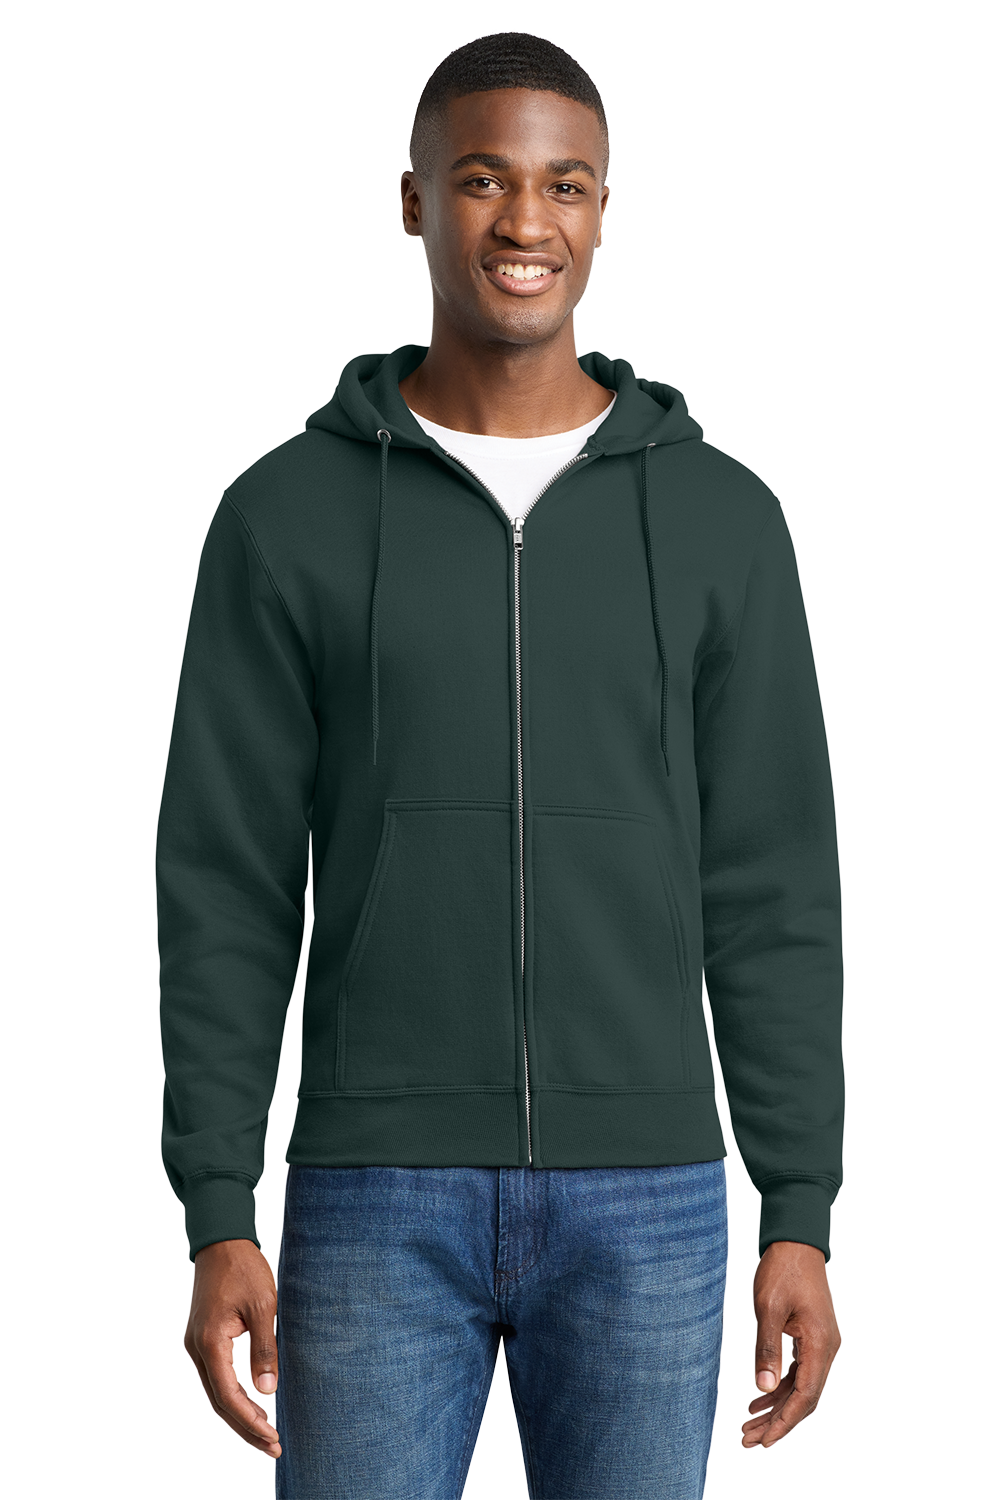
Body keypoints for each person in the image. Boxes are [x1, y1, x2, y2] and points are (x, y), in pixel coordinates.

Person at [156, 31, 844, 1500]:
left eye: (564, 185)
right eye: (482, 179)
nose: (526, 221)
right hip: (374, 1194)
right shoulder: (285, 516)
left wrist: (800, 1202)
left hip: (649, 1194)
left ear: (602, 210)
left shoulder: (722, 521)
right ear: (414, 200)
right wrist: (218, 1203)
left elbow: (773, 884)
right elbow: (224, 882)